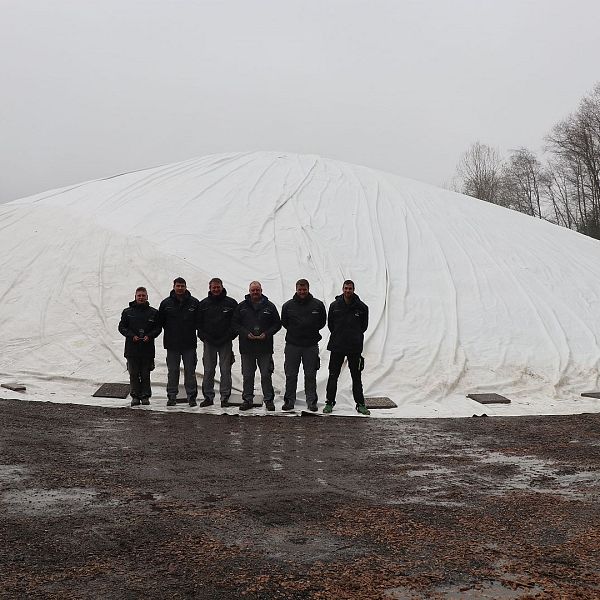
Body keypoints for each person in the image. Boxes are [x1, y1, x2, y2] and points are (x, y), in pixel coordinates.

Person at [232, 281, 281, 411]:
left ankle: (269, 400)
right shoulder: (241, 307)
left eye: (257, 290)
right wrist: (245, 333)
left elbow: (277, 324)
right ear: (249, 291)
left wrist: (267, 334)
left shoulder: (270, 306)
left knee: (266, 375)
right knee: (248, 375)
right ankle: (247, 400)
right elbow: (235, 324)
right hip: (247, 348)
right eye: (253, 290)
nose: (255, 292)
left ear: (261, 290)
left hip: (265, 348)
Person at [324, 280, 370, 415]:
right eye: (346, 288)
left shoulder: (362, 307)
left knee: (356, 377)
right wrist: (340, 335)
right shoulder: (334, 306)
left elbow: (364, 327)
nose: (348, 291)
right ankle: (329, 402)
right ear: (342, 289)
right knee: (333, 375)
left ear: (354, 289)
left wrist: (353, 336)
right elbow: (330, 325)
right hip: (337, 346)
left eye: (350, 288)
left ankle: (360, 404)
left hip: (354, 347)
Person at [280, 279, 327, 412]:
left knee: (311, 375)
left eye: (304, 289)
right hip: (292, 345)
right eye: (300, 289)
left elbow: (322, 322)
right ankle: (289, 401)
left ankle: (311, 401)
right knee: (291, 374)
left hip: (310, 346)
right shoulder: (288, 306)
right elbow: (285, 322)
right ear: (296, 289)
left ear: (308, 288)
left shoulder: (318, 305)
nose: (302, 292)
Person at [158, 277, 201, 407]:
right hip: (172, 345)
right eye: (178, 286)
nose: (180, 288)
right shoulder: (166, 303)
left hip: (189, 344)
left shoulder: (194, 303)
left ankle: (191, 397)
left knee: (190, 371)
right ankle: (172, 396)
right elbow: (160, 322)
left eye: (182, 286)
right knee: (173, 371)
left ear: (186, 287)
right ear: (174, 286)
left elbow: (199, 322)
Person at [197, 277, 238, 408]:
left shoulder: (231, 303)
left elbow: (236, 323)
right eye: (213, 287)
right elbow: (199, 324)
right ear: (210, 288)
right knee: (208, 370)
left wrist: (229, 336)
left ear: (222, 287)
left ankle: (225, 397)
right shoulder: (203, 304)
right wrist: (205, 337)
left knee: (225, 370)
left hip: (225, 342)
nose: (216, 289)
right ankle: (208, 397)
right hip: (209, 342)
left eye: (218, 287)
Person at [118, 287, 162, 406]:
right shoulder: (127, 312)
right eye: (139, 295)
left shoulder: (154, 312)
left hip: (147, 349)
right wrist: (132, 336)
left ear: (147, 297)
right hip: (132, 349)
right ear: (135, 296)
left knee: (145, 374)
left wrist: (150, 336)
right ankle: (135, 396)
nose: (141, 297)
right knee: (133, 373)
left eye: (143, 295)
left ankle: (145, 396)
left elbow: (158, 328)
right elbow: (122, 327)